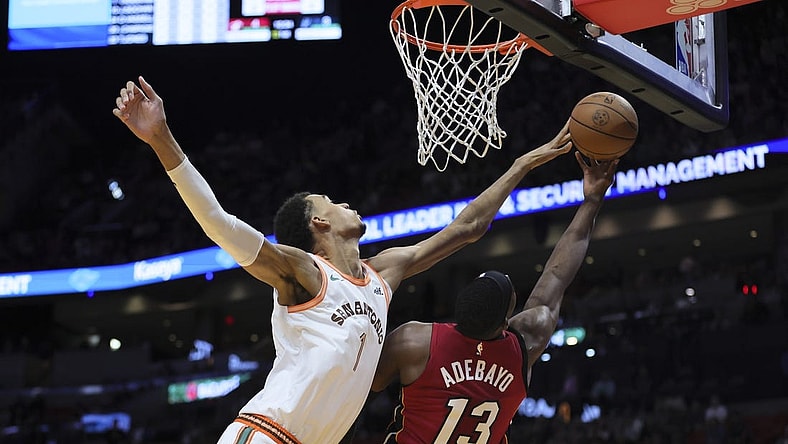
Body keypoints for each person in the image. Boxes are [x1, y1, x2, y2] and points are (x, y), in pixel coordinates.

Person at [112, 76, 574, 444]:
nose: (345, 202)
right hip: (267, 433)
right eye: (330, 201)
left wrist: (522, 165)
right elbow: (219, 223)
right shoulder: (305, 274)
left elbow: (467, 229)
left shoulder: (383, 273)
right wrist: (161, 139)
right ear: (319, 224)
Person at [368, 152, 617, 443]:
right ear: (504, 325)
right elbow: (557, 277)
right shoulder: (525, 345)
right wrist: (592, 200)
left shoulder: (413, 341)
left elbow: (367, 384)